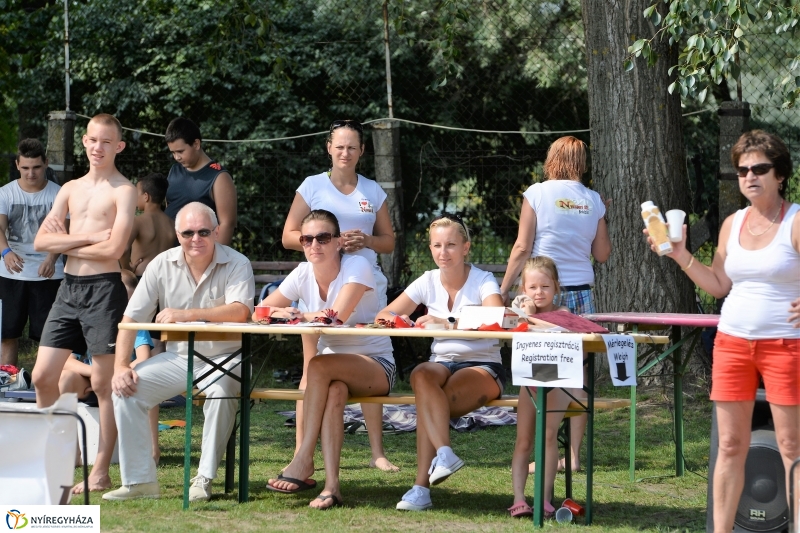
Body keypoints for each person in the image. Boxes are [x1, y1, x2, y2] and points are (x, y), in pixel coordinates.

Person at [646, 130, 799, 533]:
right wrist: (680, 254)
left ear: (780, 174)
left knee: (792, 448)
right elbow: (717, 285)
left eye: (759, 168)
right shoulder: (732, 223)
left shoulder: (796, 221)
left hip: (786, 345)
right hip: (732, 344)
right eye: (742, 170)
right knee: (729, 446)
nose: (750, 176)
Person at [104, 202, 254, 502]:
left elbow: (240, 311)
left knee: (221, 391)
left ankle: (204, 479)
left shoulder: (238, 262)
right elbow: (131, 319)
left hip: (228, 357)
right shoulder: (161, 264)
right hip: (179, 358)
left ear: (217, 232)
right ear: (177, 234)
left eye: (203, 232)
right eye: (188, 233)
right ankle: (140, 482)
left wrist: (187, 315)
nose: (196, 238)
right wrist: (120, 366)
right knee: (125, 390)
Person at [281, 119, 398, 471]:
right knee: (310, 370)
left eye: (352, 147)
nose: (345, 153)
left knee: (368, 353)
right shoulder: (312, 185)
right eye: (340, 146)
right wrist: (325, 240)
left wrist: (366, 240)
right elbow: (289, 235)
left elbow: (389, 242)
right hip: (319, 285)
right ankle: (301, 452)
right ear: (329, 149)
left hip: (364, 286)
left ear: (362, 151)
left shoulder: (373, 190)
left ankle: (377, 452)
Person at [31, 113, 137, 494]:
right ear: (84, 142)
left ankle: (101, 470)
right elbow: (40, 243)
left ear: (118, 146)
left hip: (104, 290)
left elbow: (115, 249)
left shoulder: (124, 191)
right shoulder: (69, 189)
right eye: (93, 140)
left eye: (106, 141)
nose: (98, 147)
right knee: (42, 377)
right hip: (68, 288)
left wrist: (68, 241)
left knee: (104, 385)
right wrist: (88, 238)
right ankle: (66, 454)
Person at [265, 209, 395, 509]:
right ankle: (332, 487)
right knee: (333, 389)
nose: (314, 245)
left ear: (338, 242)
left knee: (318, 365)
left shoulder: (357, 265)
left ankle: (303, 457)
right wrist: (282, 312)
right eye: (307, 239)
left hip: (376, 366)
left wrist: (294, 314)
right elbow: (263, 310)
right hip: (331, 375)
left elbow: (337, 316)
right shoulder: (302, 273)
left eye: (323, 238)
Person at [376, 214, 505, 512]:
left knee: (429, 403)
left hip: (482, 365)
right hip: (441, 363)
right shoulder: (427, 279)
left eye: (451, 245)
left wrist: (447, 322)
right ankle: (445, 453)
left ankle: (421, 488)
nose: (443, 252)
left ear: (465, 248)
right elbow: (383, 315)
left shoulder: (483, 279)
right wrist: (405, 321)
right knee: (421, 374)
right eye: (437, 245)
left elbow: (496, 317)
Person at [500, 135, 611, 475]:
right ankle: (572, 455)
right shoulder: (593, 200)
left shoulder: (537, 193)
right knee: (578, 372)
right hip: (580, 293)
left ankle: (544, 449)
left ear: (552, 160)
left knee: (541, 370)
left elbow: (522, 247)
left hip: (541, 292)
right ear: (582, 164)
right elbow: (602, 254)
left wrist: (503, 289)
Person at [60, 270, 160, 465]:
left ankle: (153, 451)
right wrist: (97, 374)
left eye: (127, 302)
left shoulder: (134, 325)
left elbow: (143, 358)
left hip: (124, 383)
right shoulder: (87, 322)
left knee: (147, 378)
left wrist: (115, 375)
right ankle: (73, 451)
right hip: (93, 383)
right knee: (65, 378)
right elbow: (66, 361)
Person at [508, 256, 571, 519]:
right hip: (530, 380)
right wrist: (524, 315)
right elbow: (511, 332)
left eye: (545, 286)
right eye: (532, 287)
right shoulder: (520, 314)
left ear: (556, 286)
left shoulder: (563, 312)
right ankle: (519, 498)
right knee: (523, 440)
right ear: (524, 289)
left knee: (548, 435)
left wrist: (531, 317)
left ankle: (544, 498)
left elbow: (561, 328)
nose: (539, 292)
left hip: (557, 380)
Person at [0, 139, 64, 367]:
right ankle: (8, 379)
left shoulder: (59, 194)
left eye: (36, 167)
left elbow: (64, 232)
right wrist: (6, 251)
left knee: (48, 337)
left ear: (46, 163)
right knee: (7, 333)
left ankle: (42, 383)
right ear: (17, 165)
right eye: (25, 167)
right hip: (10, 273)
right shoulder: (5, 193)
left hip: (49, 273)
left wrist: (52, 258)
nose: (31, 173)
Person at [163, 118, 237, 245]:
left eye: (180, 151)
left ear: (196, 144)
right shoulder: (174, 170)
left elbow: (227, 224)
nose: (176, 157)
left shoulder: (219, 177)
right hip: (169, 252)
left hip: (200, 251)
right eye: (173, 152)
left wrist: (216, 256)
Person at [121, 172, 174, 276]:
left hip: (142, 276)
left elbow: (123, 249)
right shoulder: (172, 224)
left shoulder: (138, 221)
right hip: (166, 277)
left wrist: (127, 269)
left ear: (146, 196)